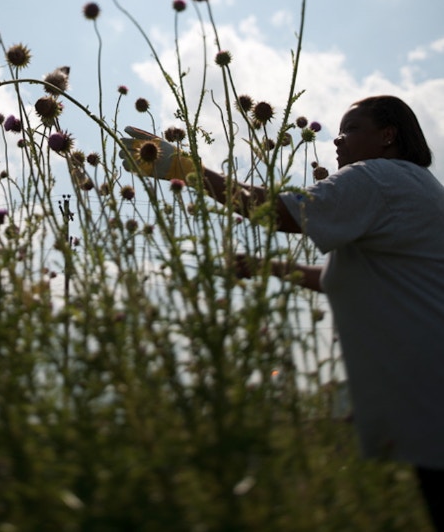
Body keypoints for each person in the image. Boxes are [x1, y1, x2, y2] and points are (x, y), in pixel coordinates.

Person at [120, 95, 444, 530]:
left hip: (428, 389)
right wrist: (267, 268)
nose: (338, 141)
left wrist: (185, 169)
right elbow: (337, 277)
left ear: (387, 136)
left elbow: (274, 211)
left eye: (350, 130)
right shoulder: (417, 185)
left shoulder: (376, 176)